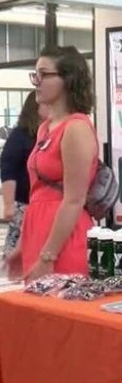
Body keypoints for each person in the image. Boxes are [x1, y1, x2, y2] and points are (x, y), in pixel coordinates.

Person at [7, 47, 99, 281]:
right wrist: (21, 244)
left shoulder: (76, 128)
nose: (36, 82)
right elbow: (37, 191)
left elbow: (74, 199)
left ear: (68, 79)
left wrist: (48, 256)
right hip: (37, 232)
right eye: (35, 74)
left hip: (63, 240)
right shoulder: (44, 128)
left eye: (43, 74)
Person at [1, 92, 45, 260]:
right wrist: (9, 204)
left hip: (41, 204)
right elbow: (8, 169)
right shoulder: (21, 135)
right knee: (19, 247)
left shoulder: (49, 132)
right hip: (23, 203)